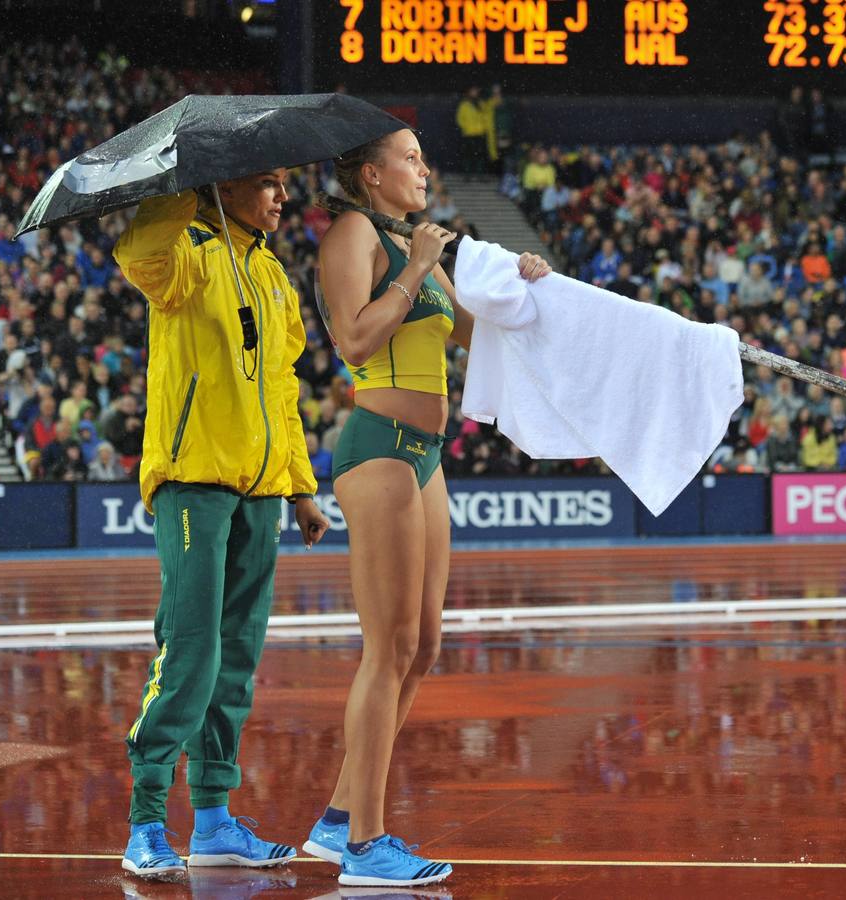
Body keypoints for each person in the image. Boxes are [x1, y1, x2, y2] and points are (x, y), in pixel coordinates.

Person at [305, 128, 551, 888]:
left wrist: (525, 286)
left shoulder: (421, 250)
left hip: (426, 454)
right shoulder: (354, 233)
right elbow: (351, 337)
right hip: (376, 443)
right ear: (371, 173)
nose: (425, 170)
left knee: (425, 647)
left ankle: (341, 820)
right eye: (411, 158)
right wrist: (413, 268)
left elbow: (483, 337)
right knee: (389, 647)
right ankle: (366, 847)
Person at [112, 172, 330, 877]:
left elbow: (282, 391)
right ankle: (147, 820)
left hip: (262, 491)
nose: (281, 197)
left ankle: (212, 822)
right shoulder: (185, 251)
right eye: (266, 184)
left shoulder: (270, 272)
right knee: (191, 650)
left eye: (283, 186)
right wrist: (183, 188)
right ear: (224, 186)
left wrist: (300, 488)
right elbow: (137, 256)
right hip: (194, 481)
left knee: (237, 657)